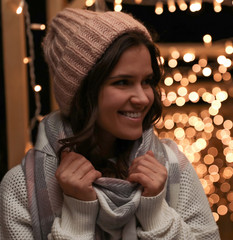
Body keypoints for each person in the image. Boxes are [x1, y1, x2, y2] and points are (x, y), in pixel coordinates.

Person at [0, 8, 220, 240]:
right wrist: (78, 218)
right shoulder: (23, 187)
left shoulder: (173, 164)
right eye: (123, 82)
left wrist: (156, 213)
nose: (144, 98)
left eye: (147, 81)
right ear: (83, 93)